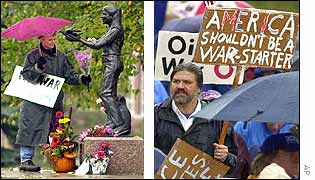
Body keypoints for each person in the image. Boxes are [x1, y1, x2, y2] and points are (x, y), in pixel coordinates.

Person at [16, 33, 91, 172]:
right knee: (30, 128)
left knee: (57, 130)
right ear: (41, 39)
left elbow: (69, 75)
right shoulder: (32, 56)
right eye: (50, 39)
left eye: (54, 39)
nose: (52, 42)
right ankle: (26, 160)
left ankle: (61, 160)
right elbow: (26, 76)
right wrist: (37, 67)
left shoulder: (61, 57)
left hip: (53, 102)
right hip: (34, 102)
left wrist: (81, 78)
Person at [154, 62, 238, 173]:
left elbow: (235, 163)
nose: (180, 86)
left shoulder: (218, 119)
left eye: (187, 82)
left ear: (199, 88)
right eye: (176, 81)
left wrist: (226, 157)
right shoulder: (155, 115)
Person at [62, 5, 130, 136]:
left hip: (112, 62)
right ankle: (112, 122)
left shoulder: (115, 29)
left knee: (105, 92)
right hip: (110, 62)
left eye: (104, 14)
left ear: (112, 16)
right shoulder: (112, 29)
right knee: (110, 93)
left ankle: (118, 123)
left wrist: (78, 39)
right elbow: (99, 42)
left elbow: (97, 45)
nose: (102, 16)